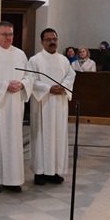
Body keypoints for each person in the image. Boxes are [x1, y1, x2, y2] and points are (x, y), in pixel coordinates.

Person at [0, 21, 32, 193]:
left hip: (15, 105)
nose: (8, 37)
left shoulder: (20, 54)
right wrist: (4, 86)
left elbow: (29, 76)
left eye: (10, 34)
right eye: (4, 34)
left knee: (13, 141)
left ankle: (13, 180)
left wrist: (22, 84)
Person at [27, 28, 75, 185]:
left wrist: (63, 86)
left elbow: (71, 75)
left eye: (54, 39)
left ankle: (54, 171)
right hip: (43, 104)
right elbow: (30, 80)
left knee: (58, 137)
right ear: (42, 42)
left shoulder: (64, 60)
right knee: (42, 136)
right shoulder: (35, 60)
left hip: (59, 104)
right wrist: (48, 88)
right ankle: (40, 172)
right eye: (48, 39)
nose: (52, 42)